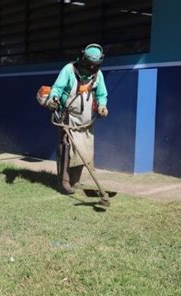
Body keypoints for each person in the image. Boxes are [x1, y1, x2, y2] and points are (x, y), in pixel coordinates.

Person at [45, 43, 108, 194]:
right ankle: (64, 182)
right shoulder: (69, 70)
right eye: (89, 65)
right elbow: (58, 88)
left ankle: (75, 180)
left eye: (95, 66)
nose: (91, 69)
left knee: (84, 149)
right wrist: (53, 99)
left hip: (85, 118)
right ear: (83, 59)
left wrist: (102, 106)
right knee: (67, 147)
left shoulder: (97, 75)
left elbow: (101, 94)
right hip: (68, 116)